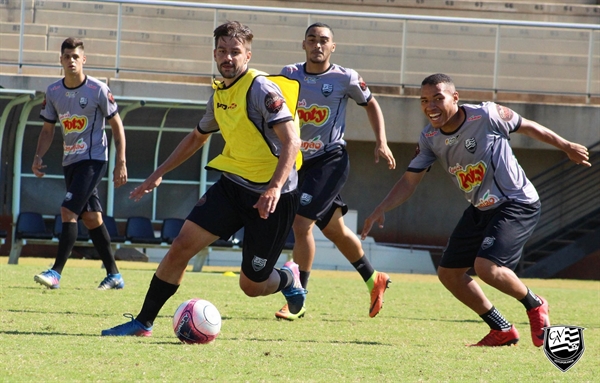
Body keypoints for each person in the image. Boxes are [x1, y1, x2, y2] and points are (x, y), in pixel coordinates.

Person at [101, 21, 306, 337]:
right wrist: (158, 174)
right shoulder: (221, 92)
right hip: (233, 186)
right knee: (181, 246)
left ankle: (289, 278)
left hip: (273, 195)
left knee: (251, 285)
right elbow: (197, 137)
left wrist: (275, 187)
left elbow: (292, 141)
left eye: (235, 52)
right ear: (214, 53)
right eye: (222, 51)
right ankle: (143, 322)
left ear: (247, 55)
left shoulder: (261, 89)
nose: (228, 58)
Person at [361, 73, 592, 347]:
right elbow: (410, 180)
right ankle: (502, 329)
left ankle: (535, 304)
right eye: (424, 100)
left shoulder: (486, 115)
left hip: (516, 202)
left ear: (455, 98)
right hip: (480, 208)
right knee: (449, 273)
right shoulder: (429, 137)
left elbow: (528, 126)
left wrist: (565, 146)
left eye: (438, 98)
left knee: (487, 267)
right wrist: (381, 207)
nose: (430, 106)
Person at [274, 23, 397, 321]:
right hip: (299, 162)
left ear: (333, 46)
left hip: (330, 161)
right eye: (312, 40)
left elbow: (371, 104)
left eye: (324, 41)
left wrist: (381, 140)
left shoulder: (345, 77)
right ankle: (374, 278)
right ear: (303, 44)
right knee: (334, 230)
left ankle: (298, 299)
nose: (318, 45)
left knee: (301, 224)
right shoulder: (288, 74)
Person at [33, 37, 128, 290]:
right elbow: (46, 130)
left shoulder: (97, 89)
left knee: (68, 211)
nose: (71, 60)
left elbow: (117, 126)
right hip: (70, 161)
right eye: (67, 56)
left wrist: (121, 161)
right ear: (61, 59)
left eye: (76, 56)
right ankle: (114, 275)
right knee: (92, 217)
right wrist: (38, 156)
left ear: (83, 59)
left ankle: (55, 273)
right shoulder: (53, 92)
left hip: (94, 158)